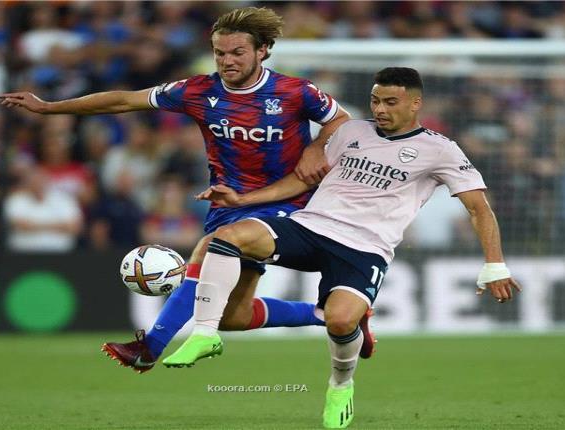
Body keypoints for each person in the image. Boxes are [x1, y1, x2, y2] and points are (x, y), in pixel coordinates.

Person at [0, 7, 357, 374]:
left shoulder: (295, 91)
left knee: (212, 246)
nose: (227, 61)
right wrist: (50, 108)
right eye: (220, 53)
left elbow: (341, 121)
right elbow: (124, 100)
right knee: (234, 315)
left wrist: (317, 147)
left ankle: (149, 348)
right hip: (229, 204)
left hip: (287, 202)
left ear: (262, 50)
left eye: (237, 53)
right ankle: (329, 315)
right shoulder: (197, 90)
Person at [163, 68, 522, 429]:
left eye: (390, 102)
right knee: (228, 236)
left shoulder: (440, 149)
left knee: (339, 320)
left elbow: (479, 208)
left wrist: (495, 266)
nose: (380, 109)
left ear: (416, 104)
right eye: (375, 101)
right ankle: (205, 333)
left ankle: (340, 385)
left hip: (365, 248)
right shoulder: (352, 131)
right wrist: (243, 199)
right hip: (311, 227)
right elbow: (301, 180)